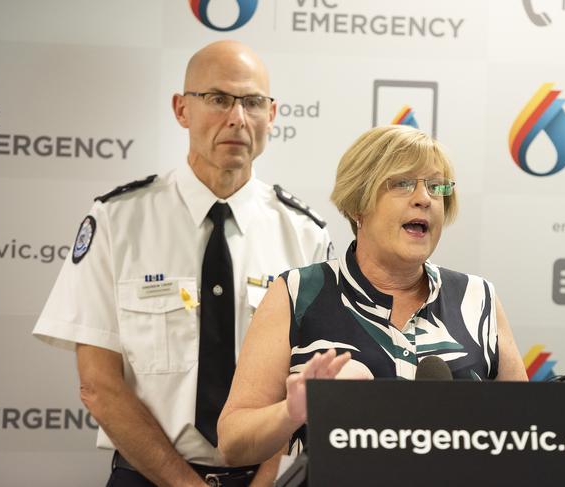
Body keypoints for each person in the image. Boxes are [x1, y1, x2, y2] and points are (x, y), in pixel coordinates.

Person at [32, 40, 332, 487]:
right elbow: (98, 384)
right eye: (217, 99)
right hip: (147, 477)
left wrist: (264, 480)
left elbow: (309, 386)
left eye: (252, 102)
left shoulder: (306, 235)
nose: (237, 118)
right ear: (181, 109)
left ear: (271, 115)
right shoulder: (117, 220)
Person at [217, 125, 528, 467]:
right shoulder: (296, 294)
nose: (424, 198)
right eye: (403, 183)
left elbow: (527, 437)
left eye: (436, 186)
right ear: (358, 206)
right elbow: (232, 443)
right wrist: (291, 412)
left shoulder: (478, 299)